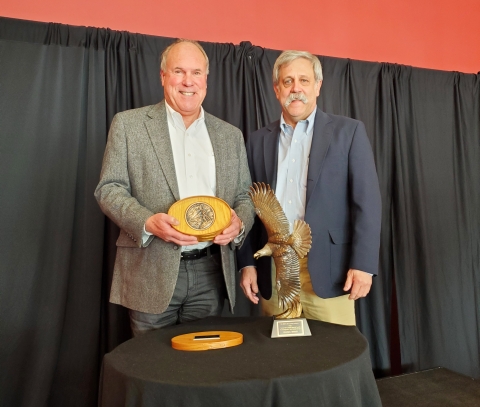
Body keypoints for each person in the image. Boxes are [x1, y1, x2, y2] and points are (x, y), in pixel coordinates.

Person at [95, 39, 254, 335]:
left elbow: (244, 195)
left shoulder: (230, 136)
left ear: (206, 79)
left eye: (196, 73)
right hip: (150, 269)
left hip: (211, 272)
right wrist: (146, 222)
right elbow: (109, 188)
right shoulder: (129, 125)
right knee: (152, 368)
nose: (187, 81)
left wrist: (239, 222)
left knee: (201, 369)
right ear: (163, 76)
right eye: (179, 71)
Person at [238, 50, 381, 325]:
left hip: (330, 269)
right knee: (281, 358)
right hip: (273, 268)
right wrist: (247, 264)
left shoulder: (348, 133)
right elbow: (246, 207)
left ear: (318, 86)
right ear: (276, 88)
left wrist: (363, 264)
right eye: (288, 81)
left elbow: (367, 204)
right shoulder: (257, 141)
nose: (296, 89)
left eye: (304, 80)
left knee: (335, 355)